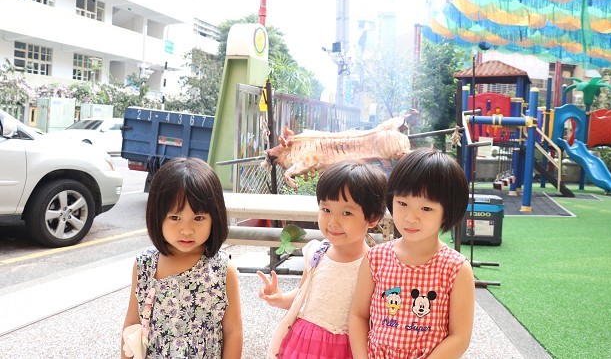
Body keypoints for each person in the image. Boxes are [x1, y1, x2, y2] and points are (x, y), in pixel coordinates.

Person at [349, 149, 475, 359]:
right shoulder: (375, 258)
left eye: (426, 208)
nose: (410, 217)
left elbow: (459, 337)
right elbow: (358, 315)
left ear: (447, 212)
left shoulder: (456, 268)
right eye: (403, 203)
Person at [258, 160, 388, 358]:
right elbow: (305, 295)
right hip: (304, 342)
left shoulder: (375, 264)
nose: (333, 222)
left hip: (346, 349)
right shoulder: (316, 252)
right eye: (326, 210)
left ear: (372, 218)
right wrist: (280, 298)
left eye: (346, 213)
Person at [121, 157, 242, 359]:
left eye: (198, 218)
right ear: (157, 216)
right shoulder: (145, 265)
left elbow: (233, 332)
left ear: (215, 218)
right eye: (175, 218)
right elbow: (132, 325)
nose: (186, 230)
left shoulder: (222, 269)